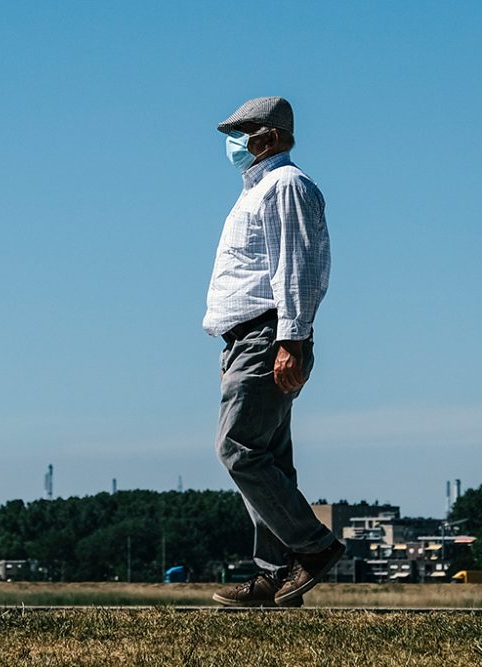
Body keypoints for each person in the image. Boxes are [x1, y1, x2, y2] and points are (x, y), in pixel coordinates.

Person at [204, 96, 344, 607]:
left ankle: (313, 547)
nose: (234, 142)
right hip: (249, 336)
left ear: (271, 136)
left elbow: (299, 267)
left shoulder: (286, 186)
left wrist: (292, 339)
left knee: (237, 448)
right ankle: (274, 575)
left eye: (242, 131)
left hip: (267, 335)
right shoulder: (257, 190)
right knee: (269, 460)